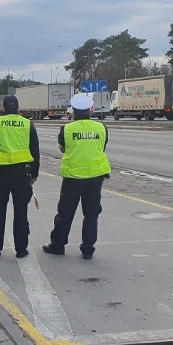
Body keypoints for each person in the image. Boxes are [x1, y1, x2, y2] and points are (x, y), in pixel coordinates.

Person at [42, 93, 112, 260]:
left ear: (73, 111)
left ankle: (58, 245)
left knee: (65, 214)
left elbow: (62, 148)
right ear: (91, 110)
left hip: (73, 178)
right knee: (91, 214)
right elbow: (102, 147)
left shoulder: (66, 129)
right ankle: (88, 249)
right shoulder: (101, 128)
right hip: (95, 177)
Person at [0, 94, 40, 258]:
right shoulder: (28, 124)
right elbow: (35, 151)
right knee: (21, 213)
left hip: (2, 175)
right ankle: (21, 250)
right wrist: (34, 173)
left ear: (3, 109)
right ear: (18, 108)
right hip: (22, 175)